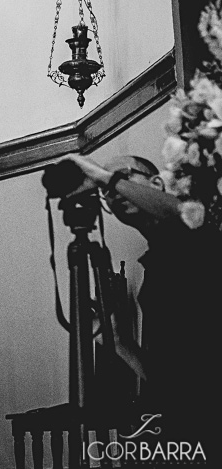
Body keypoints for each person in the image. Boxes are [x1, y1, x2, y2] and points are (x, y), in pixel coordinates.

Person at [68, 153, 222, 449]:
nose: (111, 190)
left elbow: (187, 216)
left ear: (156, 184)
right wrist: (117, 342)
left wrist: (100, 175)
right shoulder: (153, 273)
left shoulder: (200, 235)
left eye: (122, 177)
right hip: (187, 428)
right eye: (106, 190)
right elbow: (167, 376)